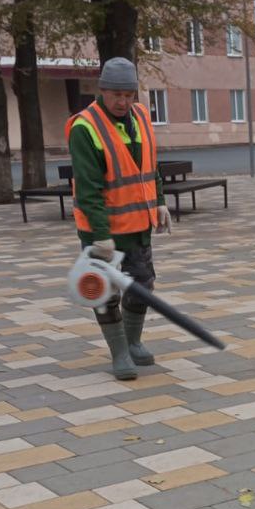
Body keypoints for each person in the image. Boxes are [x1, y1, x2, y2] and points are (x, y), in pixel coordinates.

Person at [66, 58, 171, 380]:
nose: (124, 102)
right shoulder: (86, 128)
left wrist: (161, 202)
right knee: (105, 292)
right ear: (102, 91)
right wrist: (100, 233)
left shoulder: (139, 116)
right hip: (102, 232)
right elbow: (88, 187)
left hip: (138, 225)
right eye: (117, 95)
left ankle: (134, 341)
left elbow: (149, 166)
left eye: (129, 95)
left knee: (143, 285)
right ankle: (119, 352)